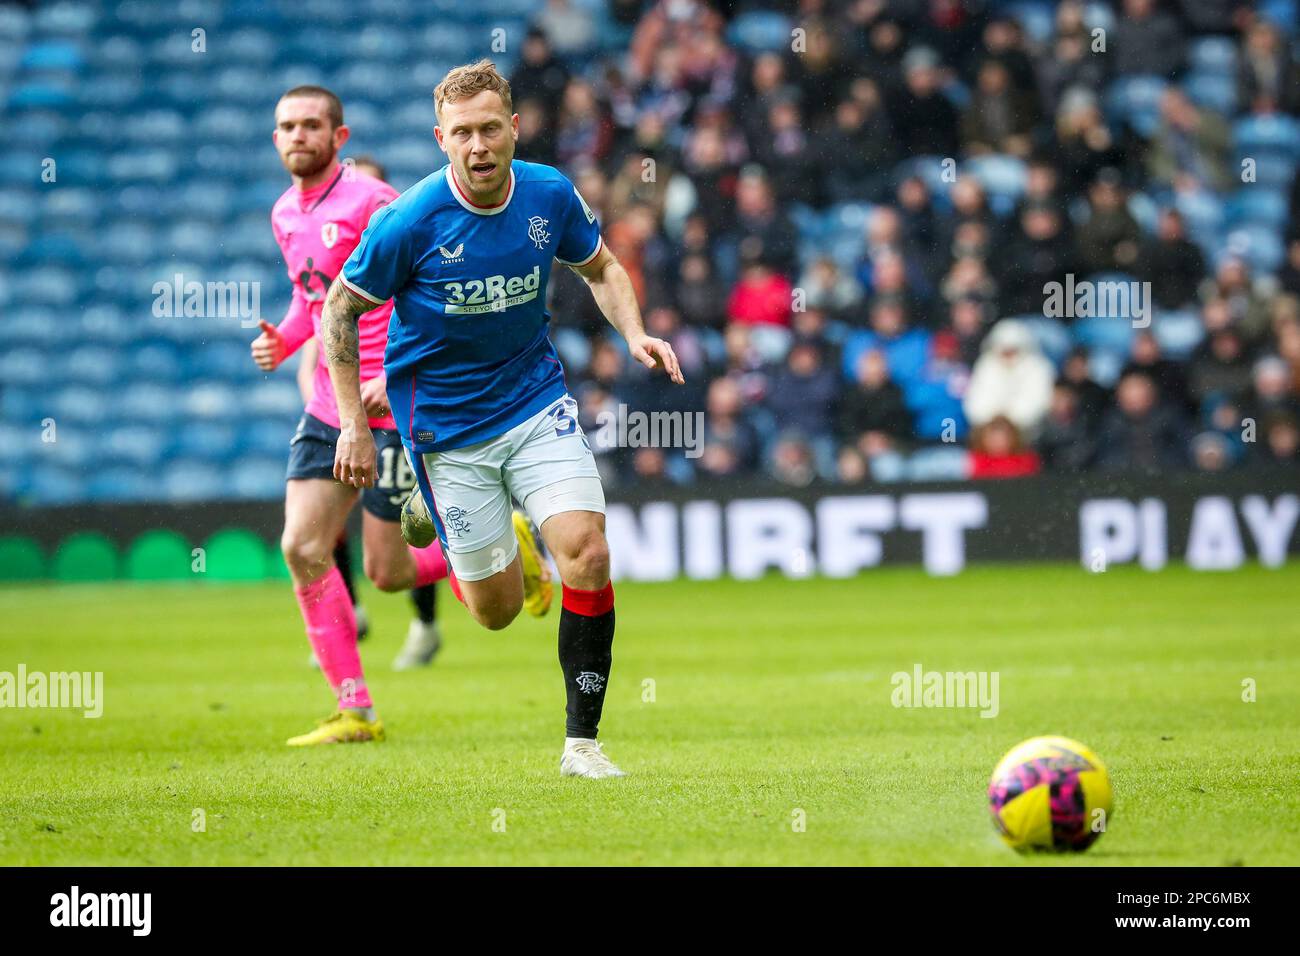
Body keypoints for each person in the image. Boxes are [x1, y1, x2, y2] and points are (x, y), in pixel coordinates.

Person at [322, 61, 683, 779]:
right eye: (463, 134)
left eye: (491, 128)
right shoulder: (410, 221)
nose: (479, 146)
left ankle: (583, 744)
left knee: (588, 550)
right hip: (446, 431)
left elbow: (603, 268)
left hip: (535, 401)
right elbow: (340, 308)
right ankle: (500, 543)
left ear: (514, 128)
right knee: (495, 613)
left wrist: (634, 333)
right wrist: (353, 424)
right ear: (440, 139)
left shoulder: (549, 193)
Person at [251, 86, 458, 747]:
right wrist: (285, 340)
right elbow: (308, 296)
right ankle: (354, 709)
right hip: (327, 405)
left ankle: (486, 552)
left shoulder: (375, 202)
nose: (298, 135)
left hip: (388, 404)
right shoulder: (284, 212)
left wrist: (396, 373)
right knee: (302, 547)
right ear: (276, 137)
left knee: (388, 572)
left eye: (312, 125)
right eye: (287, 126)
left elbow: (428, 281)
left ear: (339, 138)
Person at [293, 153, 444, 672]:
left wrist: (393, 378)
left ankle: (459, 578)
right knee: (311, 538)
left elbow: (434, 322)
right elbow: (315, 320)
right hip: (336, 416)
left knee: (392, 557)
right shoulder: (336, 279)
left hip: (396, 412)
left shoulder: (406, 260)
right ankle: (346, 635)